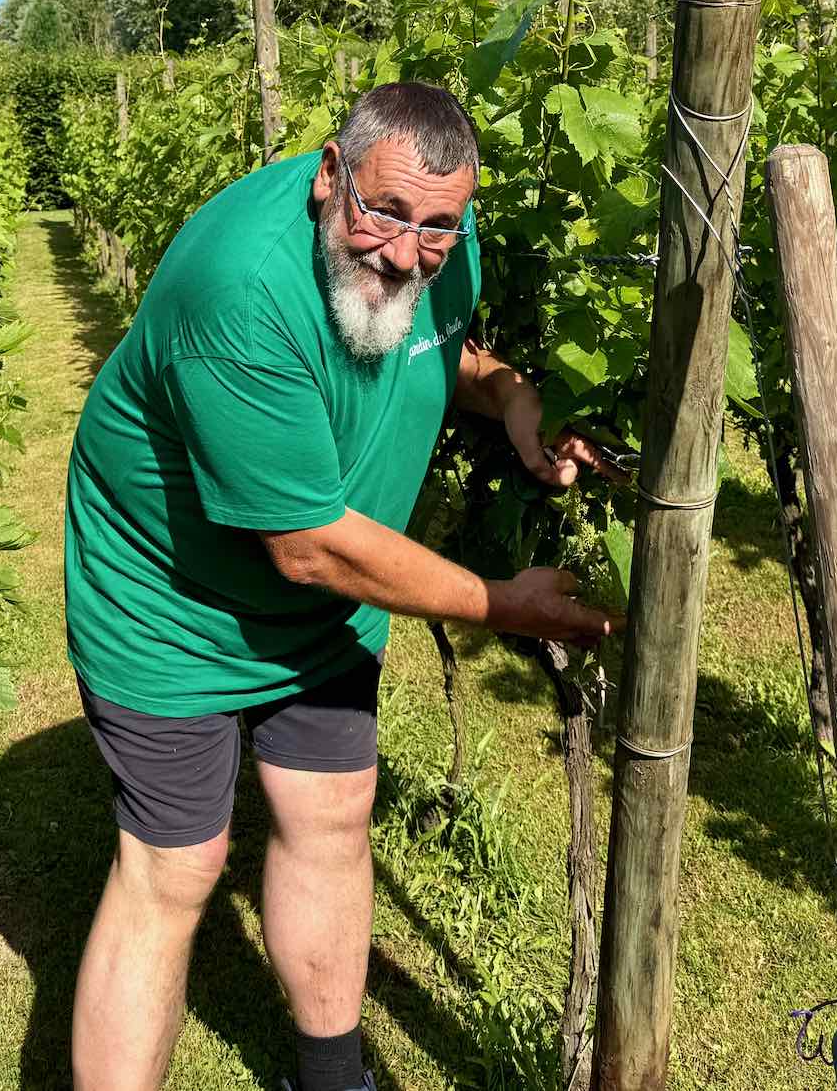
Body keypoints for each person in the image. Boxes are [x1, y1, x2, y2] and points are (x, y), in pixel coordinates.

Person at [65, 80, 619, 1091]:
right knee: (175, 867)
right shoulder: (238, 287)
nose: (405, 252)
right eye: (384, 213)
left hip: (330, 600)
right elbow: (308, 546)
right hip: (169, 597)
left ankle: (332, 1082)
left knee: (331, 814)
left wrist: (512, 398)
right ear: (330, 175)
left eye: (436, 227)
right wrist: (504, 604)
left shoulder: (438, 232)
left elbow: (438, 348)